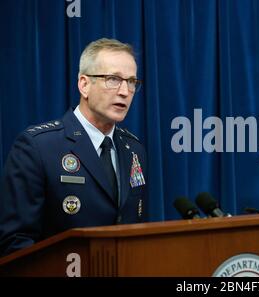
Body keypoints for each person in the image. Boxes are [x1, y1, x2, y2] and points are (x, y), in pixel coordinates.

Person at [0, 38, 148, 256]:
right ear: (84, 84)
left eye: (132, 81)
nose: (125, 91)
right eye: (113, 79)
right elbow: (15, 242)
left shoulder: (134, 149)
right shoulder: (38, 146)